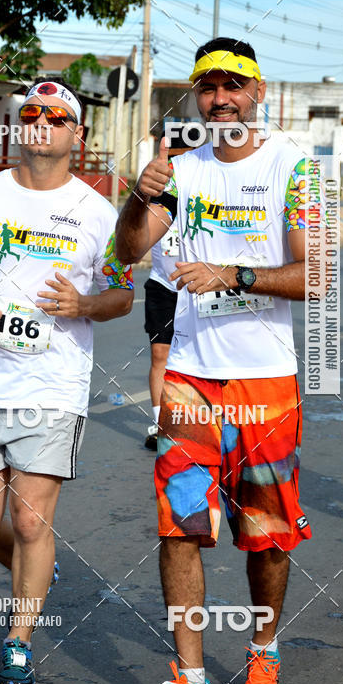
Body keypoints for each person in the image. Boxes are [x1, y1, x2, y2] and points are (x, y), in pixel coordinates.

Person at [116, 37, 315, 684]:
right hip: (190, 382)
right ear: (196, 97)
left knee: (265, 535)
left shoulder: (297, 168)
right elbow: (128, 253)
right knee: (180, 528)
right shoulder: (180, 169)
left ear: (259, 93)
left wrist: (232, 274)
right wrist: (135, 200)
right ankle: (192, 678)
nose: (221, 98)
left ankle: (263, 652)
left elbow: (313, 275)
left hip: (266, 383)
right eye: (209, 87)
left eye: (234, 86)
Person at [0, 77, 133, 684]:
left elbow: (124, 296)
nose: (39, 123)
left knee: (29, 522)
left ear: (77, 133)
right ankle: (36, 578)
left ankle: (19, 637)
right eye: (29, 114)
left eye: (54, 115)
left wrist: (85, 304)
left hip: (55, 386)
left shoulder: (101, 215)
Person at [144, 129, 206, 451]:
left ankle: (199, 421)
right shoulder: (155, 188)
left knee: (197, 358)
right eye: (172, 154)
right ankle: (159, 424)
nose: (176, 161)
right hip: (162, 284)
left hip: (198, 287)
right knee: (160, 355)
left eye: (184, 154)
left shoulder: (205, 189)